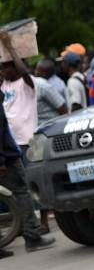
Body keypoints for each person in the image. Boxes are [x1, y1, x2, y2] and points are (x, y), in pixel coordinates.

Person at [0, 32, 57, 253]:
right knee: (21, 191)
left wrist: (10, 47)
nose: (4, 71)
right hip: (8, 148)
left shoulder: (27, 84)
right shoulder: (4, 86)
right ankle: (31, 234)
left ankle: (38, 226)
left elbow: (23, 71)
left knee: (29, 187)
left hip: (24, 142)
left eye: (7, 67)